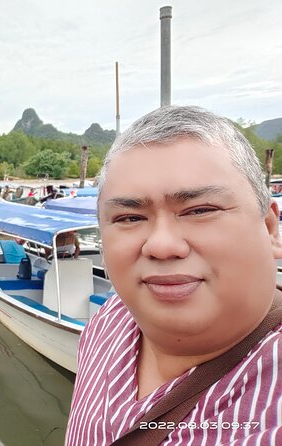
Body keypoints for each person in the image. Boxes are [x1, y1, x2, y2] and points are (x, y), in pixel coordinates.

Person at [66, 106, 282, 444]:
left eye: (200, 210)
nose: (162, 245)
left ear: (269, 228)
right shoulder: (110, 317)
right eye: (129, 217)